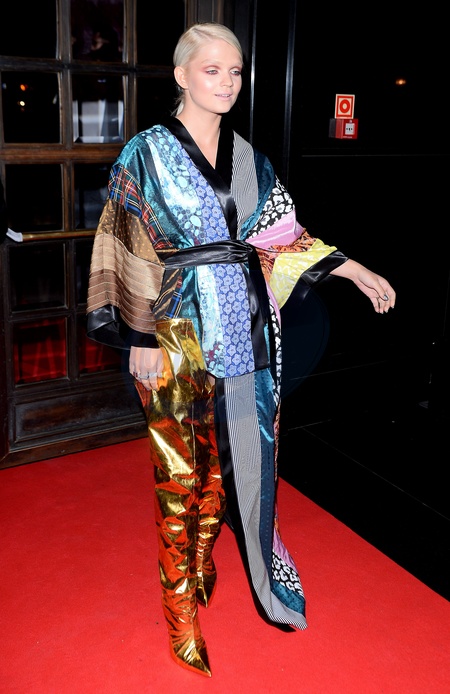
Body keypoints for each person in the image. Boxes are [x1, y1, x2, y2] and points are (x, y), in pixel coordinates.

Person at [86, 22, 396, 678]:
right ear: (181, 75)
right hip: (171, 327)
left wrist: (353, 269)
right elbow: (122, 240)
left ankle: (204, 561)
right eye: (212, 70)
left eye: (235, 72)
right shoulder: (145, 153)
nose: (227, 83)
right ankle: (179, 609)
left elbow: (284, 238)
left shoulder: (251, 159)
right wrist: (138, 336)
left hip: (244, 328)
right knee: (179, 473)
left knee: (226, 465)